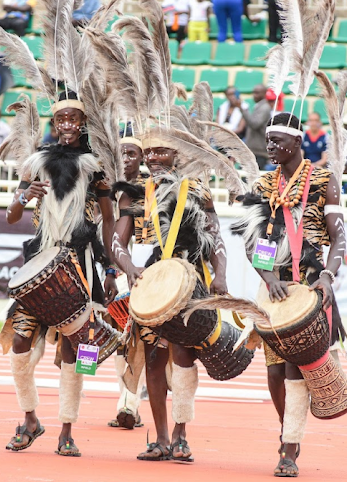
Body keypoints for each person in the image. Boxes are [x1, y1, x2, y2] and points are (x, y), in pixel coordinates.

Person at [232, 112, 347, 477]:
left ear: (297, 143)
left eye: (278, 141)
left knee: (296, 370)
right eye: (268, 141)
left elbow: (339, 234)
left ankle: (289, 448)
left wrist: (328, 277)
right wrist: (268, 277)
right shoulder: (265, 183)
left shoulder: (324, 180)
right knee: (273, 371)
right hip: (275, 285)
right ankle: (288, 429)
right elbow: (254, 242)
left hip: (311, 284)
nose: (270, 147)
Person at [3, 91, 117, 457]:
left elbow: (110, 219)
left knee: (78, 348)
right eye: (61, 120)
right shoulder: (35, 164)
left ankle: (67, 429)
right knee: (19, 342)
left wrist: (112, 267)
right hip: (41, 259)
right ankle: (31, 419)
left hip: (80, 262)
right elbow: (11, 215)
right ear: (54, 125)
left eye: (74, 119)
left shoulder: (94, 165)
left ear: (83, 124)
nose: (67, 125)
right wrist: (24, 197)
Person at [111, 132, 228, 463]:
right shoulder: (135, 195)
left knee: (183, 358)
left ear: (177, 154)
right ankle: (161, 438)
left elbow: (216, 240)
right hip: (155, 279)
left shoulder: (197, 191)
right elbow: (117, 244)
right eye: (149, 153)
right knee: (152, 358)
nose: (154, 158)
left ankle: (181, 435)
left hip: (191, 277)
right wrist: (129, 267)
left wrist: (220, 275)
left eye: (162, 152)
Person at [107, 134, 148, 430]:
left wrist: (124, 268)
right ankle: (125, 398)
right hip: (104, 271)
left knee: (136, 338)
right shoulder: (100, 183)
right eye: (121, 152)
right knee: (115, 340)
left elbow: (123, 238)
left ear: (143, 157)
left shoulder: (145, 190)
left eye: (132, 152)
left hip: (134, 271)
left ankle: (129, 403)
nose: (126, 158)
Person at [241, 83, 272, 171]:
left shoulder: (265, 108)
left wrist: (242, 109)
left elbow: (255, 124)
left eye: (257, 93)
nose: (254, 95)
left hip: (259, 152)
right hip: (254, 150)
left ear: (264, 93)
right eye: (254, 92)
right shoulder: (259, 106)